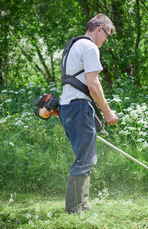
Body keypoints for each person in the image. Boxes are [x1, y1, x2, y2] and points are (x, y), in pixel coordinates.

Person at [59, 13, 119, 214]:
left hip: (67, 107)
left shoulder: (73, 46)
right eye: (107, 36)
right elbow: (93, 84)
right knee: (85, 160)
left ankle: (81, 204)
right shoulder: (90, 47)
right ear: (100, 29)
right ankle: (75, 208)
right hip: (79, 107)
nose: (106, 41)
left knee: (83, 157)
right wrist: (107, 112)